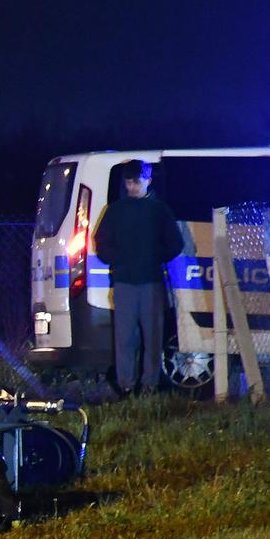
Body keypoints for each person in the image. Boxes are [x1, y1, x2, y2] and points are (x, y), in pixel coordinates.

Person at [93, 159, 185, 395]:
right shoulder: (116, 210)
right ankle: (126, 383)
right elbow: (101, 242)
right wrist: (118, 260)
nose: (132, 187)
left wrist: (154, 257)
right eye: (128, 182)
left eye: (136, 182)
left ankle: (149, 384)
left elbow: (176, 243)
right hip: (124, 282)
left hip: (151, 282)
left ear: (148, 181)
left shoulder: (159, 210)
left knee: (152, 336)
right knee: (124, 337)